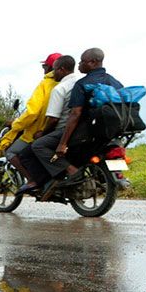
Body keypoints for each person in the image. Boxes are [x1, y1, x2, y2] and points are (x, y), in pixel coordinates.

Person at [31, 47, 122, 192]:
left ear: (92, 62)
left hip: (83, 131)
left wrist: (62, 143)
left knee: (38, 145)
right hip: (107, 131)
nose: (79, 65)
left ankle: (72, 171)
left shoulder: (82, 84)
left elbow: (75, 114)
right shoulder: (114, 82)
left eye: (82, 62)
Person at [0, 53, 63, 156]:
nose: (43, 70)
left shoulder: (45, 85)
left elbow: (32, 112)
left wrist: (16, 124)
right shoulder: (67, 84)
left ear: (52, 67)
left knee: (10, 153)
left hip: (37, 133)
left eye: (45, 66)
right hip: (59, 132)